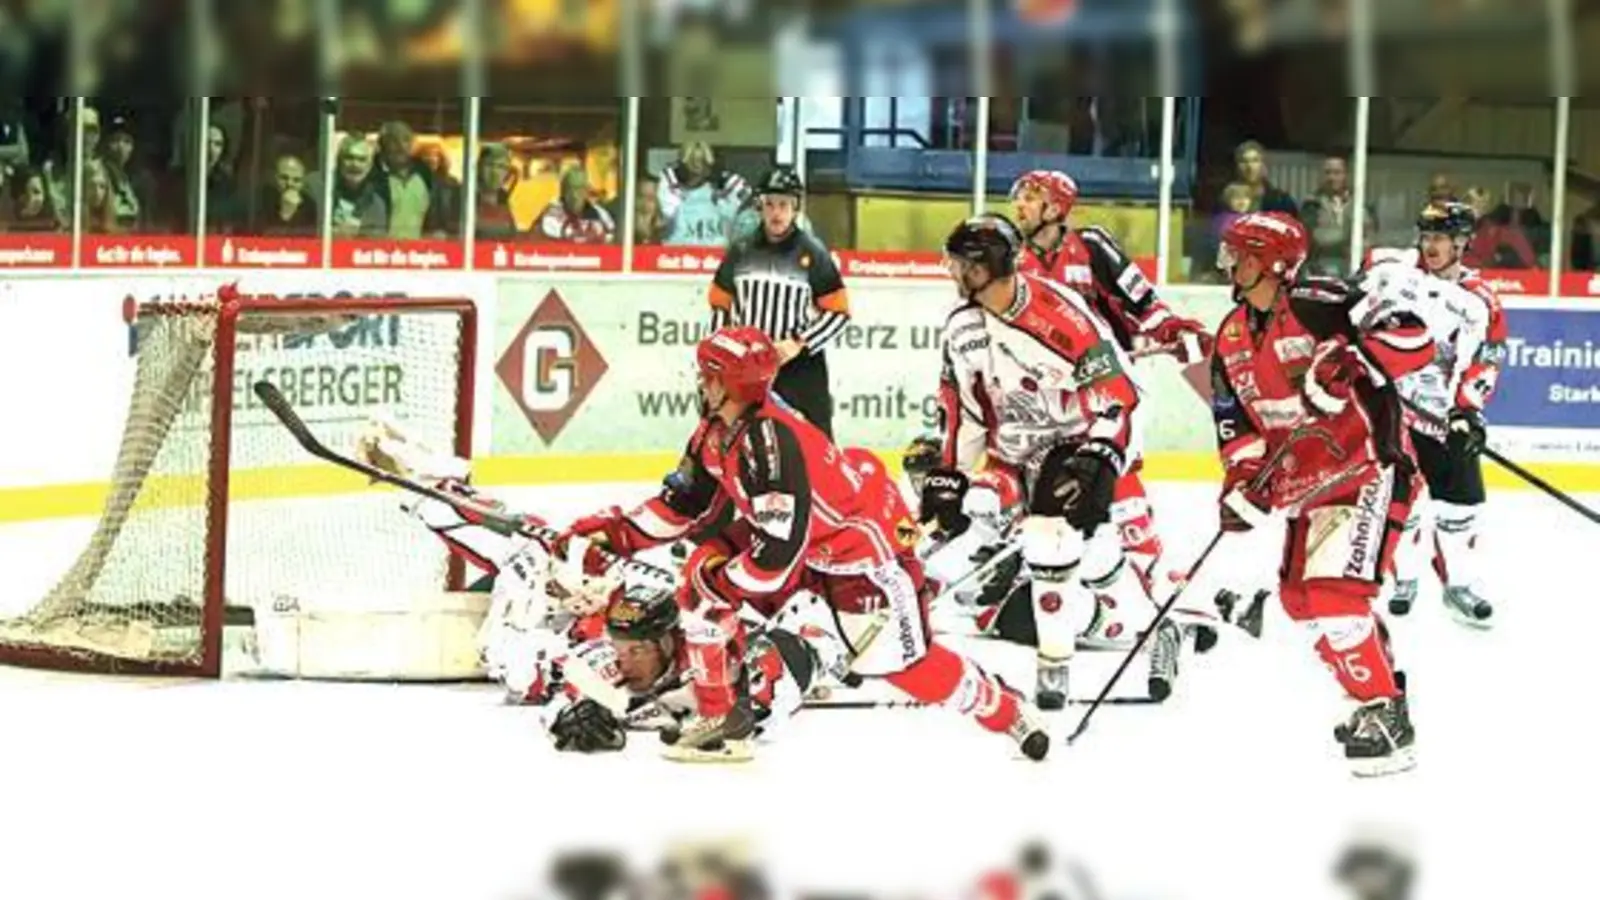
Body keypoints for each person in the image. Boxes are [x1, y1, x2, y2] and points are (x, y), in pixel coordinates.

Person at [559, 325, 1050, 761]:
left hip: (862, 554)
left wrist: (721, 584)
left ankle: (1002, 707)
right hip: (806, 540)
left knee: (904, 668)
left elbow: (775, 558)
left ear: (729, 385)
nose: (700, 383)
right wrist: (615, 535)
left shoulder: (769, 443)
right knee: (698, 584)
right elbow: (685, 504)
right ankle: (722, 720)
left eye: (708, 375)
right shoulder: (716, 430)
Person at [926, 213, 1182, 711]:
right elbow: (962, 406)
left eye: (959, 264)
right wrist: (951, 475)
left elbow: (1119, 393)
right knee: (1058, 539)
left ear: (984, 267)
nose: (952, 272)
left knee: (1053, 541)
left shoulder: (1058, 313)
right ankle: (1155, 624)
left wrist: (1102, 453)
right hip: (1013, 452)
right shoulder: (960, 326)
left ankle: (1055, 662)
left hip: (1075, 440)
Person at [1209, 211, 1434, 777]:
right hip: (1307, 490)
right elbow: (1234, 427)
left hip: (1368, 470)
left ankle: (1385, 714)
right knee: (1300, 602)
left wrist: (1355, 357)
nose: (1228, 264)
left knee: (1337, 597)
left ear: (1271, 264)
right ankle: (1371, 695)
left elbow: (1416, 339)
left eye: (1241, 255)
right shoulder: (1230, 335)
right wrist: (1242, 483)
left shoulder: (1320, 302)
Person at [1009, 170, 1208, 612]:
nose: (1019, 205)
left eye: (1030, 197)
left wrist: (1170, 329)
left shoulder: (1091, 246)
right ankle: (1042, 575)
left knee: (1115, 479)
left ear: (1055, 208)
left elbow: (1144, 302)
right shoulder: (1009, 256)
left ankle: (1156, 581)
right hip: (1041, 397)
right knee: (1037, 484)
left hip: (1103, 389)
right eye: (1019, 197)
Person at [1364, 201, 1507, 627]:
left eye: (1441, 238)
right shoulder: (1393, 272)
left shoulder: (1479, 300)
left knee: (1461, 506)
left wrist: (1467, 411)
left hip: (1443, 419)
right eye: (1426, 236)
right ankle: (1404, 578)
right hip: (1393, 414)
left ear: (1462, 243)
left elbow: (1485, 359)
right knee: (1400, 504)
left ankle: (1458, 585)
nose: (1431, 245)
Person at [520, 580, 851, 755]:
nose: (626, 659)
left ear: (668, 641)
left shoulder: (710, 657)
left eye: (638, 648)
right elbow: (550, 694)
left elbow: (758, 722)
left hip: (763, 648)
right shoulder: (602, 660)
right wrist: (564, 718)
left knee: (788, 662)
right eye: (619, 645)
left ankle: (821, 643)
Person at [706, 167, 848, 438]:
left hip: (799, 369)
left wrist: (798, 342)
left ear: (795, 208)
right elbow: (720, 305)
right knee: (736, 439)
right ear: (759, 206)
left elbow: (839, 313)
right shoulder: (741, 250)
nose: (776, 212)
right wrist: (720, 358)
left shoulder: (813, 253)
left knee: (813, 443)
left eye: (784, 204)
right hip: (747, 366)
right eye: (769, 204)